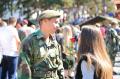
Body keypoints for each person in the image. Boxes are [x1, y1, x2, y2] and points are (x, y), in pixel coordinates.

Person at [18, 10, 64, 79]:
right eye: (56, 22)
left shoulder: (54, 42)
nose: (58, 25)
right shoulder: (29, 42)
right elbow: (24, 72)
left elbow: (60, 67)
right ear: (45, 21)